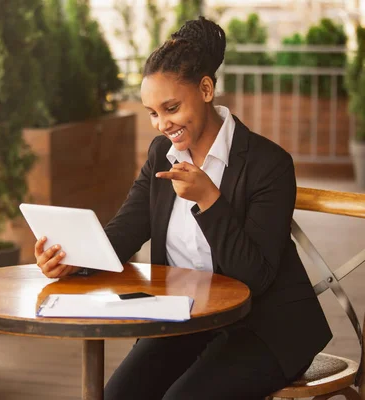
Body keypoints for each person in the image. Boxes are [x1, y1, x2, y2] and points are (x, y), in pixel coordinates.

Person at [34, 16, 332, 400]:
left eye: (171, 107)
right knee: (119, 394)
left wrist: (210, 199)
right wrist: (73, 258)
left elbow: (255, 276)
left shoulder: (268, 164)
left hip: (266, 327)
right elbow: (127, 229)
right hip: (186, 315)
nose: (162, 124)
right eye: (152, 112)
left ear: (206, 89)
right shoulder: (163, 154)